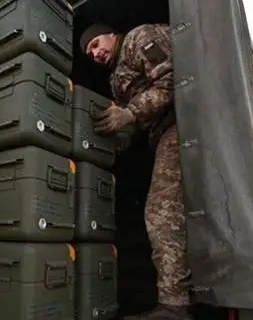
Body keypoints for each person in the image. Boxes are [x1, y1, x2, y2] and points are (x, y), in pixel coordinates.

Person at [79, 23, 191, 320]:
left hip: (184, 122)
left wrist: (128, 113)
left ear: (110, 35)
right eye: (90, 53)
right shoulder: (117, 78)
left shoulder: (138, 38)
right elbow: (138, 122)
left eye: (96, 44)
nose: (95, 53)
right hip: (162, 133)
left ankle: (175, 307)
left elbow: (174, 80)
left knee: (160, 213)